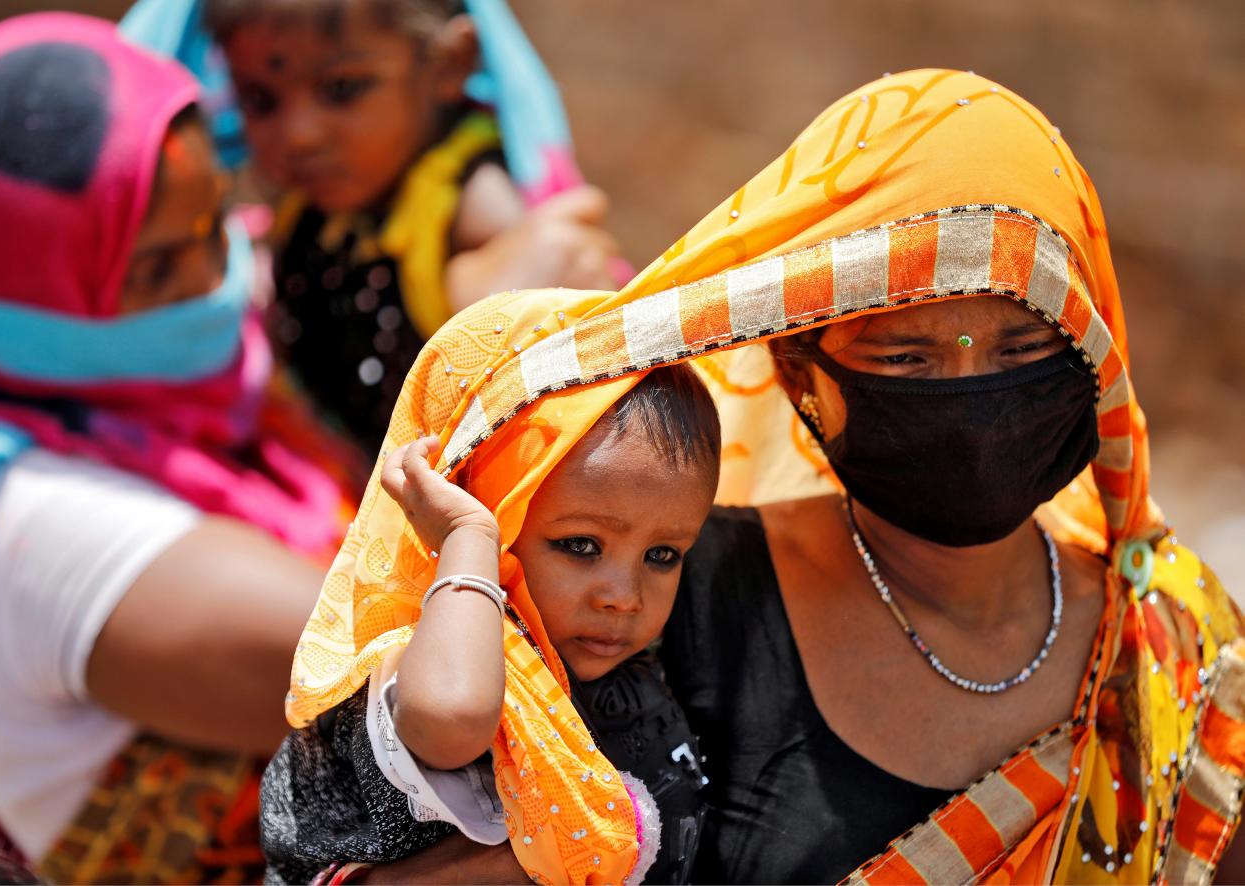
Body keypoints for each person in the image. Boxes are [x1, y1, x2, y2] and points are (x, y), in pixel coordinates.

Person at [299, 69, 1245, 884]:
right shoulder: (659, 592)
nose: (971, 394)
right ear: (801, 375)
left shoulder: (1172, 650)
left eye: (1023, 347)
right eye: (908, 358)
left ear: (1093, 353)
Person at [0, 14, 355, 882]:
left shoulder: (203, 396)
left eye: (216, 224)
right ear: (17, 290)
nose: (220, 280)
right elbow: (399, 666)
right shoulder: (37, 517)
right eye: (160, 268)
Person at [261, 362, 719, 885]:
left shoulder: (628, 667)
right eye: (580, 546)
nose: (624, 596)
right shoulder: (436, 650)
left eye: (661, 555)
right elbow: (451, 721)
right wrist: (466, 537)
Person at [189, 0, 623, 458]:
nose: (300, 133)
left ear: (449, 62)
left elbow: (516, 340)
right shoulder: (327, 192)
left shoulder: (471, 204)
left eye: (341, 88)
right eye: (260, 100)